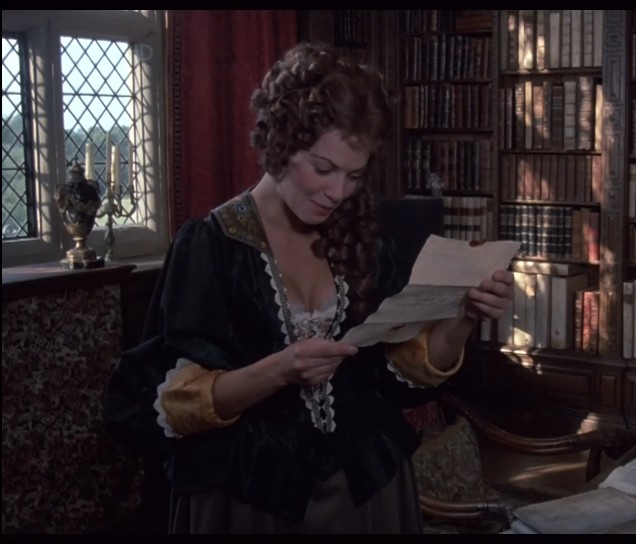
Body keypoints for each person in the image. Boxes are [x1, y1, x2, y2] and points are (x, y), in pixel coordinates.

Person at [103, 41, 513, 534]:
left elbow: (393, 379)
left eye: (353, 175)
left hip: (368, 494)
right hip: (251, 499)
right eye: (323, 169)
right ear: (280, 143)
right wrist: (278, 370)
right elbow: (167, 407)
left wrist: (464, 316)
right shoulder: (212, 247)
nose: (338, 192)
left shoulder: (362, 238)